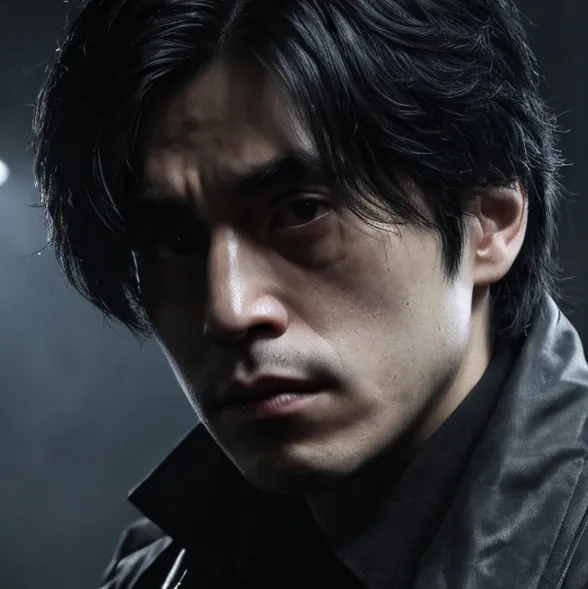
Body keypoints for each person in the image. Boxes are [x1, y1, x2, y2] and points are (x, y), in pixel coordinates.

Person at [32, 0, 588, 587]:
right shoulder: (153, 575)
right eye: (174, 242)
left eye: (300, 213)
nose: (229, 309)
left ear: (490, 222)